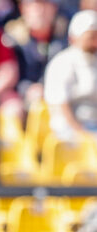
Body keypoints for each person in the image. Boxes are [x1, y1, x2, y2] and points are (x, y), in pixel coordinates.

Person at [4, 0, 68, 110]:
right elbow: (12, 76)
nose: (40, 12)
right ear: (23, 9)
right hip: (24, 99)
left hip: (59, 96)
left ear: (54, 8)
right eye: (34, 7)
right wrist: (27, 89)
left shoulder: (67, 37)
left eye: (45, 6)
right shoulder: (12, 38)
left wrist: (45, 88)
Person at [44, 10, 97, 139]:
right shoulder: (62, 63)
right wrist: (84, 134)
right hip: (69, 131)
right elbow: (61, 106)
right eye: (90, 37)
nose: (94, 42)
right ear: (74, 38)